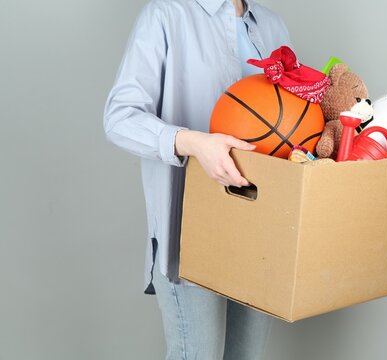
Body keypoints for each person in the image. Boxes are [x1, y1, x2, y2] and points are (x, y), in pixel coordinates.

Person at [103, 0, 291, 359]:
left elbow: (288, 123)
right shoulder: (165, 15)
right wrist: (194, 143)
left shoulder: (273, 26)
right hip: (189, 235)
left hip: (264, 235)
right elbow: (118, 117)